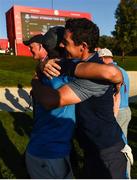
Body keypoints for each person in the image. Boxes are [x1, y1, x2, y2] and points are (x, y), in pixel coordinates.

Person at [32, 18, 128, 179]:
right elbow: (61, 65)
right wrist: (41, 65)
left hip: (107, 153)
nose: (61, 46)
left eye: (66, 42)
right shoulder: (75, 63)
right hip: (93, 149)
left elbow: (51, 100)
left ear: (83, 47)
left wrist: (34, 82)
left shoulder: (95, 75)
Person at [23, 27, 76, 179]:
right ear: (62, 46)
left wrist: (37, 74)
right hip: (49, 153)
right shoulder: (64, 73)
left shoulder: (49, 70)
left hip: (47, 150)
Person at [98, 48, 133, 178]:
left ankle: (124, 175)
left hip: (118, 111)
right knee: (124, 144)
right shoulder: (122, 70)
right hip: (126, 110)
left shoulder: (109, 72)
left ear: (102, 58)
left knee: (118, 147)